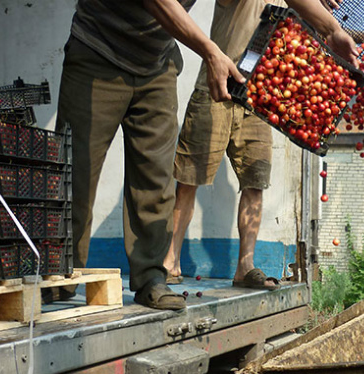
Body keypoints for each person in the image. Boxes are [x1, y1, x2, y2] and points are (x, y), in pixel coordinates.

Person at [55, 0, 245, 310]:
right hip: (97, 53)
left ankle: (151, 279)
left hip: (156, 63)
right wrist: (210, 51)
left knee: (155, 179)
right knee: (75, 174)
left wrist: (329, 28)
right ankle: (59, 274)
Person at [163, 0, 356, 290]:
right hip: (218, 88)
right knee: (189, 179)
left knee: (254, 183)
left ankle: (245, 266)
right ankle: (170, 260)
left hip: (260, 99)